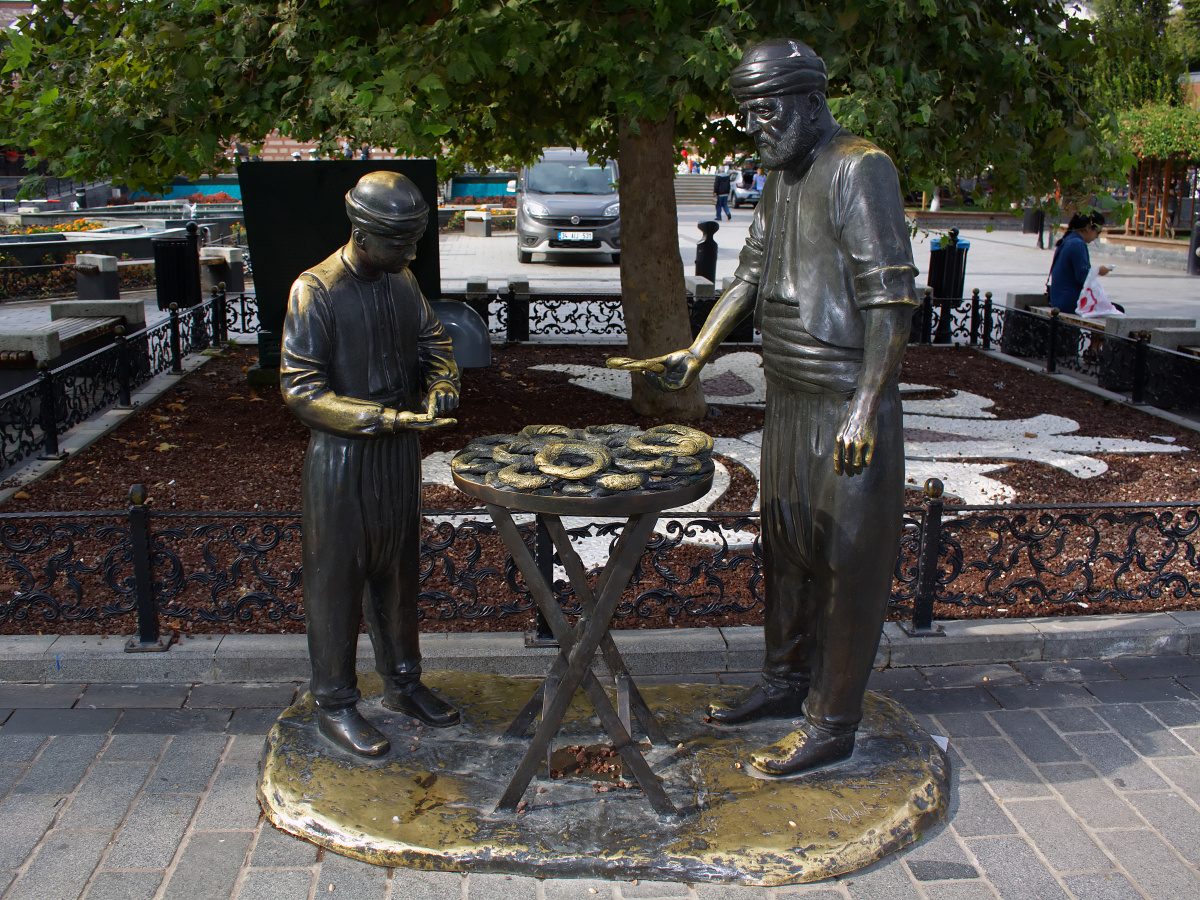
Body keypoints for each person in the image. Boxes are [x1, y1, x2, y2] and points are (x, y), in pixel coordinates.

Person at [614, 38, 918, 777]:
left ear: (811, 101)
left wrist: (865, 405)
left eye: (767, 110)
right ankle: (784, 684)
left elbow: (891, 299)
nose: (756, 126)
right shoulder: (784, 175)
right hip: (788, 402)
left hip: (846, 405)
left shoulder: (859, 167)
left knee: (846, 565)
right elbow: (749, 276)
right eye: (747, 113)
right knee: (786, 550)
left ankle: (832, 722)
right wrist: (698, 350)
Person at [281, 171, 461, 757]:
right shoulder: (316, 291)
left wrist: (441, 385)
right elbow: (302, 391)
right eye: (400, 243)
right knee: (336, 581)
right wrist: (381, 419)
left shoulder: (401, 279)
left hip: (397, 456)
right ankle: (334, 700)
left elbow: (434, 343)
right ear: (362, 232)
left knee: (398, 572)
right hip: (341, 460)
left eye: (414, 243)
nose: (411, 254)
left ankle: (404, 682)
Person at [1048, 211, 1112, 313]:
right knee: (1114, 310)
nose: (1096, 237)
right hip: (1070, 303)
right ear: (1088, 227)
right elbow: (1082, 276)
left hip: (1058, 300)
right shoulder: (1077, 244)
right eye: (1097, 232)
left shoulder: (1068, 240)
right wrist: (1099, 270)